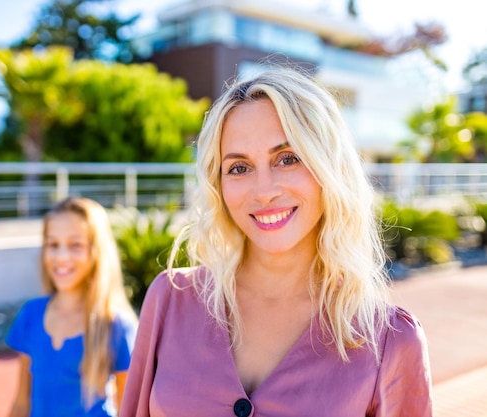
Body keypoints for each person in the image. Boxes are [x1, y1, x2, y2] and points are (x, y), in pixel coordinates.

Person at [120, 67, 432, 417]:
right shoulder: (170, 299)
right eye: (239, 167)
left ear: (329, 167)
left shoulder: (390, 340)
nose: (264, 191)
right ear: (218, 184)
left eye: (287, 159)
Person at [6, 196, 137, 417]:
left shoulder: (117, 326)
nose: (61, 256)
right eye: (53, 244)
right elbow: (21, 403)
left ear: (96, 252)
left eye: (75, 245)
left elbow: (129, 410)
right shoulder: (31, 314)